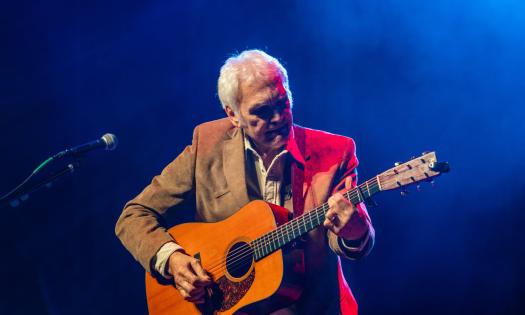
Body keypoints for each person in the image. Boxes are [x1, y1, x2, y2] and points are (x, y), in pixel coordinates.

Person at [115, 49, 374, 315]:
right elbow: (134, 215)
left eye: (282, 104)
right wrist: (173, 259)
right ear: (233, 114)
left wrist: (354, 232)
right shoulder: (207, 143)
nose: (277, 118)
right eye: (261, 111)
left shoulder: (334, 152)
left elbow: (349, 241)